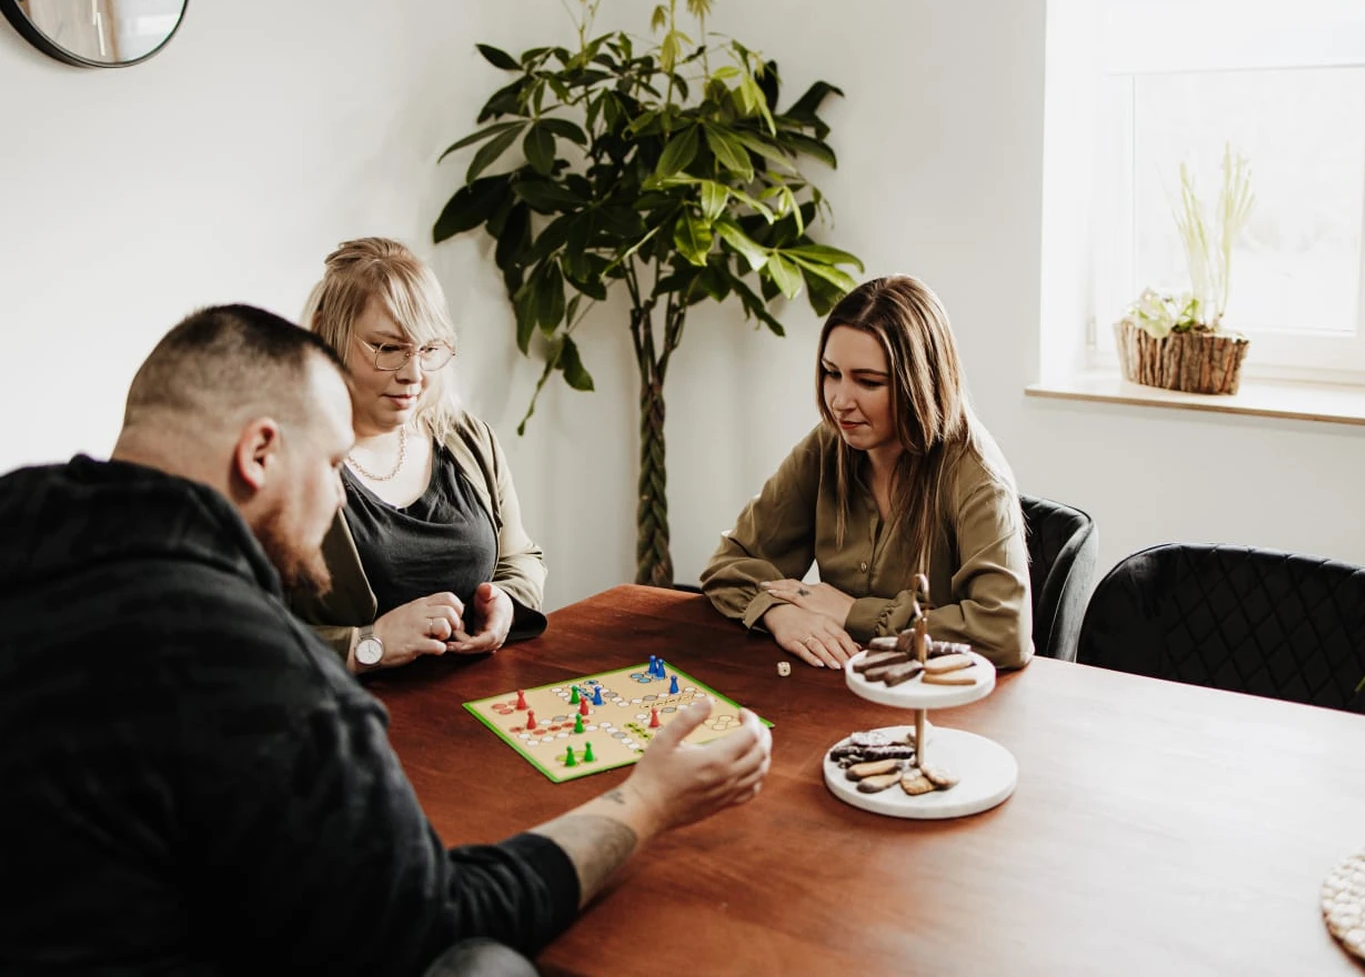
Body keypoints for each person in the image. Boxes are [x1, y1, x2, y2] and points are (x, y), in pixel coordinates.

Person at [0, 305, 772, 975]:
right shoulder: (265, 677)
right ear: (259, 453)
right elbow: (436, 919)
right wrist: (647, 801)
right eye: (334, 462)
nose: (339, 493)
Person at [700, 275, 1033, 671]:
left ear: (920, 383)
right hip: (841, 687)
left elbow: (1005, 632)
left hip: (937, 705)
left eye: (868, 381)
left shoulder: (977, 477)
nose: (840, 401)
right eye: (831, 373)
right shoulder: (827, 447)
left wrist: (854, 613)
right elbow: (728, 564)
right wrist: (779, 613)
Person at [289, 237, 547, 675]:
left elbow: (521, 558)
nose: (413, 375)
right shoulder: (284, 464)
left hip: (477, 703)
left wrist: (506, 603)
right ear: (323, 336)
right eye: (388, 349)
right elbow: (239, 637)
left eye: (428, 350)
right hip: (347, 723)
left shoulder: (467, 437)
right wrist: (368, 646)